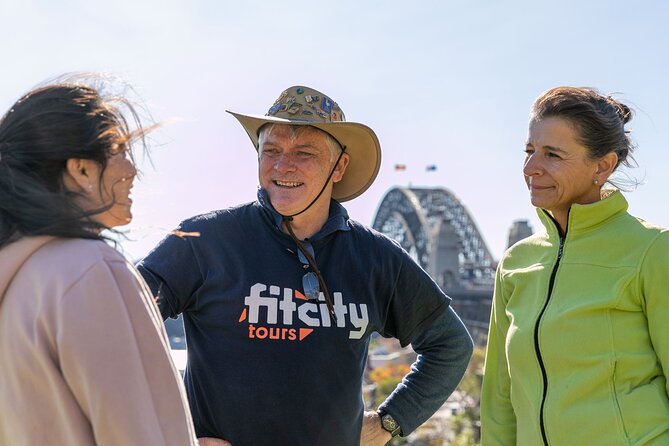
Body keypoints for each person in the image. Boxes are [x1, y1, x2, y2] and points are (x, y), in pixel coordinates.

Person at [137, 85, 474, 446]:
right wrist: (168, 431)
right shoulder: (202, 241)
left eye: (304, 152)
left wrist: (390, 422)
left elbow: (450, 345)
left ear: (339, 166)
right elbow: (114, 328)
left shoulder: (376, 258)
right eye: (271, 151)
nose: (283, 166)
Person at [0, 78, 198, 445]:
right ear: (82, 170)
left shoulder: (16, 277)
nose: (132, 168)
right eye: (120, 149)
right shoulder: (91, 270)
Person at [480, 86, 669, 445]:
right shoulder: (516, 263)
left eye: (552, 154)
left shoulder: (653, 250)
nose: (531, 168)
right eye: (529, 150)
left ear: (603, 165)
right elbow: (499, 400)